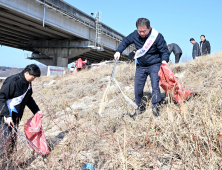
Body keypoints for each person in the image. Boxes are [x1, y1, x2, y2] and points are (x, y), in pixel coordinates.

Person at [114, 18, 170, 117]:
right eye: (140, 31)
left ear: (149, 28)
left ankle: (156, 106)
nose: (142, 33)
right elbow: (125, 42)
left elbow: (164, 51)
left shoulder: (157, 36)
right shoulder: (135, 34)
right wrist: (118, 51)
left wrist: (164, 60)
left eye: (144, 31)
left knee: (155, 86)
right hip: (141, 66)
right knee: (138, 88)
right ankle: (139, 108)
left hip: (155, 64)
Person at [0, 64, 42, 159]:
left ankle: (9, 164)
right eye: (33, 76)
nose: (33, 79)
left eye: (35, 77)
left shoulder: (28, 83)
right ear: (26, 73)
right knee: (4, 143)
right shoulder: (12, 82)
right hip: (4, 118)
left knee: (12, 142)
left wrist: (37, 111)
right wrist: (6, 115)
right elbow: (1, 98)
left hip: (15, 118)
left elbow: (28, 99)